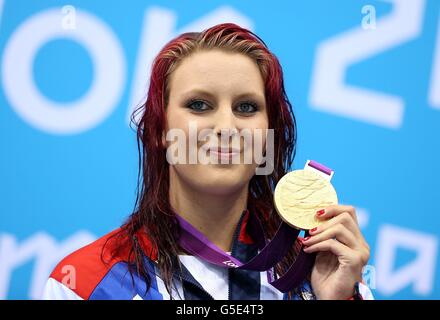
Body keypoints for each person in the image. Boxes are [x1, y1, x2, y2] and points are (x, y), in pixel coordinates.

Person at [42, 23, 373, 300]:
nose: (227, 128)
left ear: (267, 135)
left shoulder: (320, 275)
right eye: (199, 105)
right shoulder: (83, 285)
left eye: (246, 107)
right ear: (160, 130)